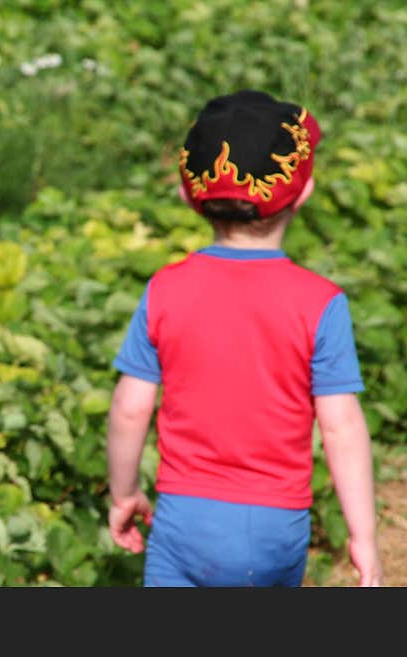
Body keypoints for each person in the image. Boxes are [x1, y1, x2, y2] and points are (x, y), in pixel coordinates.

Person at [105, 90, 383, 587]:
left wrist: (123, 494)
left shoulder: (165, 289)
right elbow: (341, 427)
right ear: (304, 190)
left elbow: (130, 408)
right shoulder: (319, 302)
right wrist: (362, 535)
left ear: (190, 194)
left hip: (181, 517)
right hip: (275, 524)